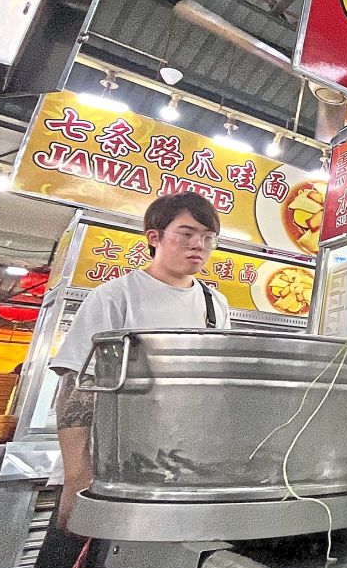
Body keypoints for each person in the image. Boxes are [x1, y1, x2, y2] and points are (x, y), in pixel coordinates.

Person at [50, 192, 231, 530]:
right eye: (187, 234)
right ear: (154, 237)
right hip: (104, 473)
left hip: (173, 471)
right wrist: (76, 476)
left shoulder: (215, 304)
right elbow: (76, 384)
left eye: (208, 238)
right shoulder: (115, 297)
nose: (199, 245)